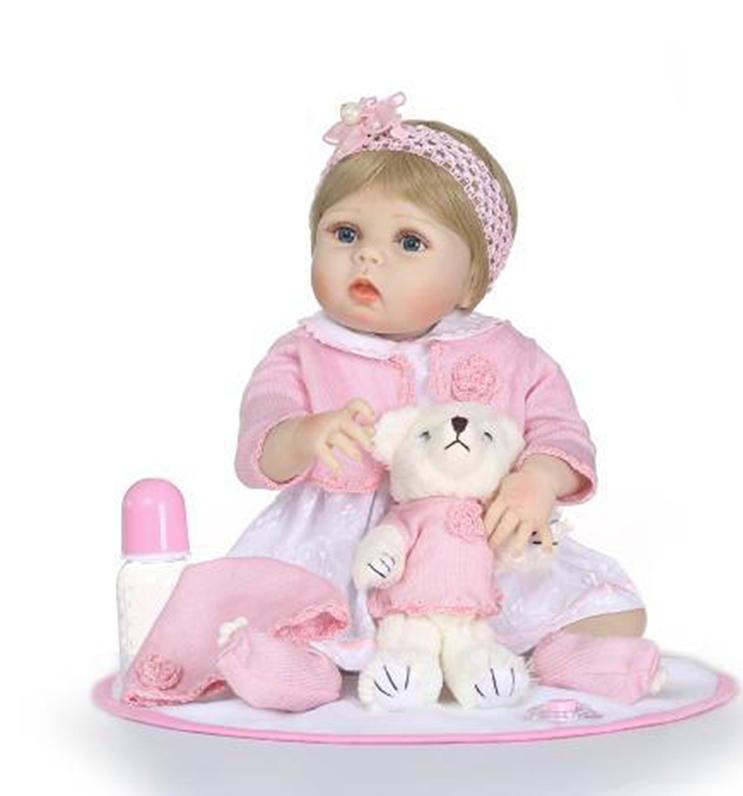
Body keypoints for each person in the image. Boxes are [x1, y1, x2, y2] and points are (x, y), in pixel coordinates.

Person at [228, 92, 663, 703]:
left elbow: (562, 432)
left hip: (474, 545)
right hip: (341, 551)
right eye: (345, 233)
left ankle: (560, 657)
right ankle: (306, 675)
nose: (368, 255)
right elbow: (260, 444)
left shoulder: (510, 353)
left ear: (471, 279)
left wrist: (538, 481)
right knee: (285, 620)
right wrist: (301, 436)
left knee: (615, 612)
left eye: (410, 242)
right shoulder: (301, 353)